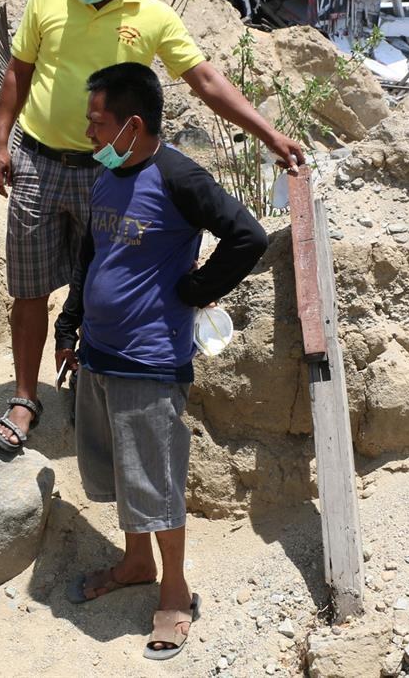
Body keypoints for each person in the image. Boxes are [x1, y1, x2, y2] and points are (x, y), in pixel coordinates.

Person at [0, 0, 305, 453]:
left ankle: (94, 380)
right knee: (29, 288)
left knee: (102, 279)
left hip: (109, 170)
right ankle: (24, 396)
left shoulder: (153, 15)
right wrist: (0, 142)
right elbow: (19, 70)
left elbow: (205, 79)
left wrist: (269, 135)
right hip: (38, 162)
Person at [56, 62, 268, 661]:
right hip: (99, 353)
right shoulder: (107, 171)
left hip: (148, 360)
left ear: (134, 124)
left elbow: (248, 236)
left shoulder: (178, 176)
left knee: (157, 478)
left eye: (98, 123)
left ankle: (175, 592)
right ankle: (135, 563)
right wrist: (70, 323)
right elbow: (92, 254)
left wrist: (195, 290)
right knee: (121, 473)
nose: (90, 133)